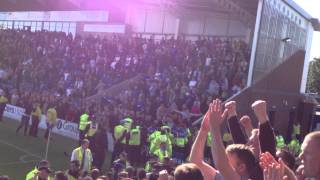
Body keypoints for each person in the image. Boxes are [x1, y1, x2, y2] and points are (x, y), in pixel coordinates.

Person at [208, 99, 263, 180]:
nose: (248, 144)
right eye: (249, 141)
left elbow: (221, 165)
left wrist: (263, 117)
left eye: (252, 142)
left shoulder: (260, 169)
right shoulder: (248, 161)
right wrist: (232, 115)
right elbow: (240, 143)